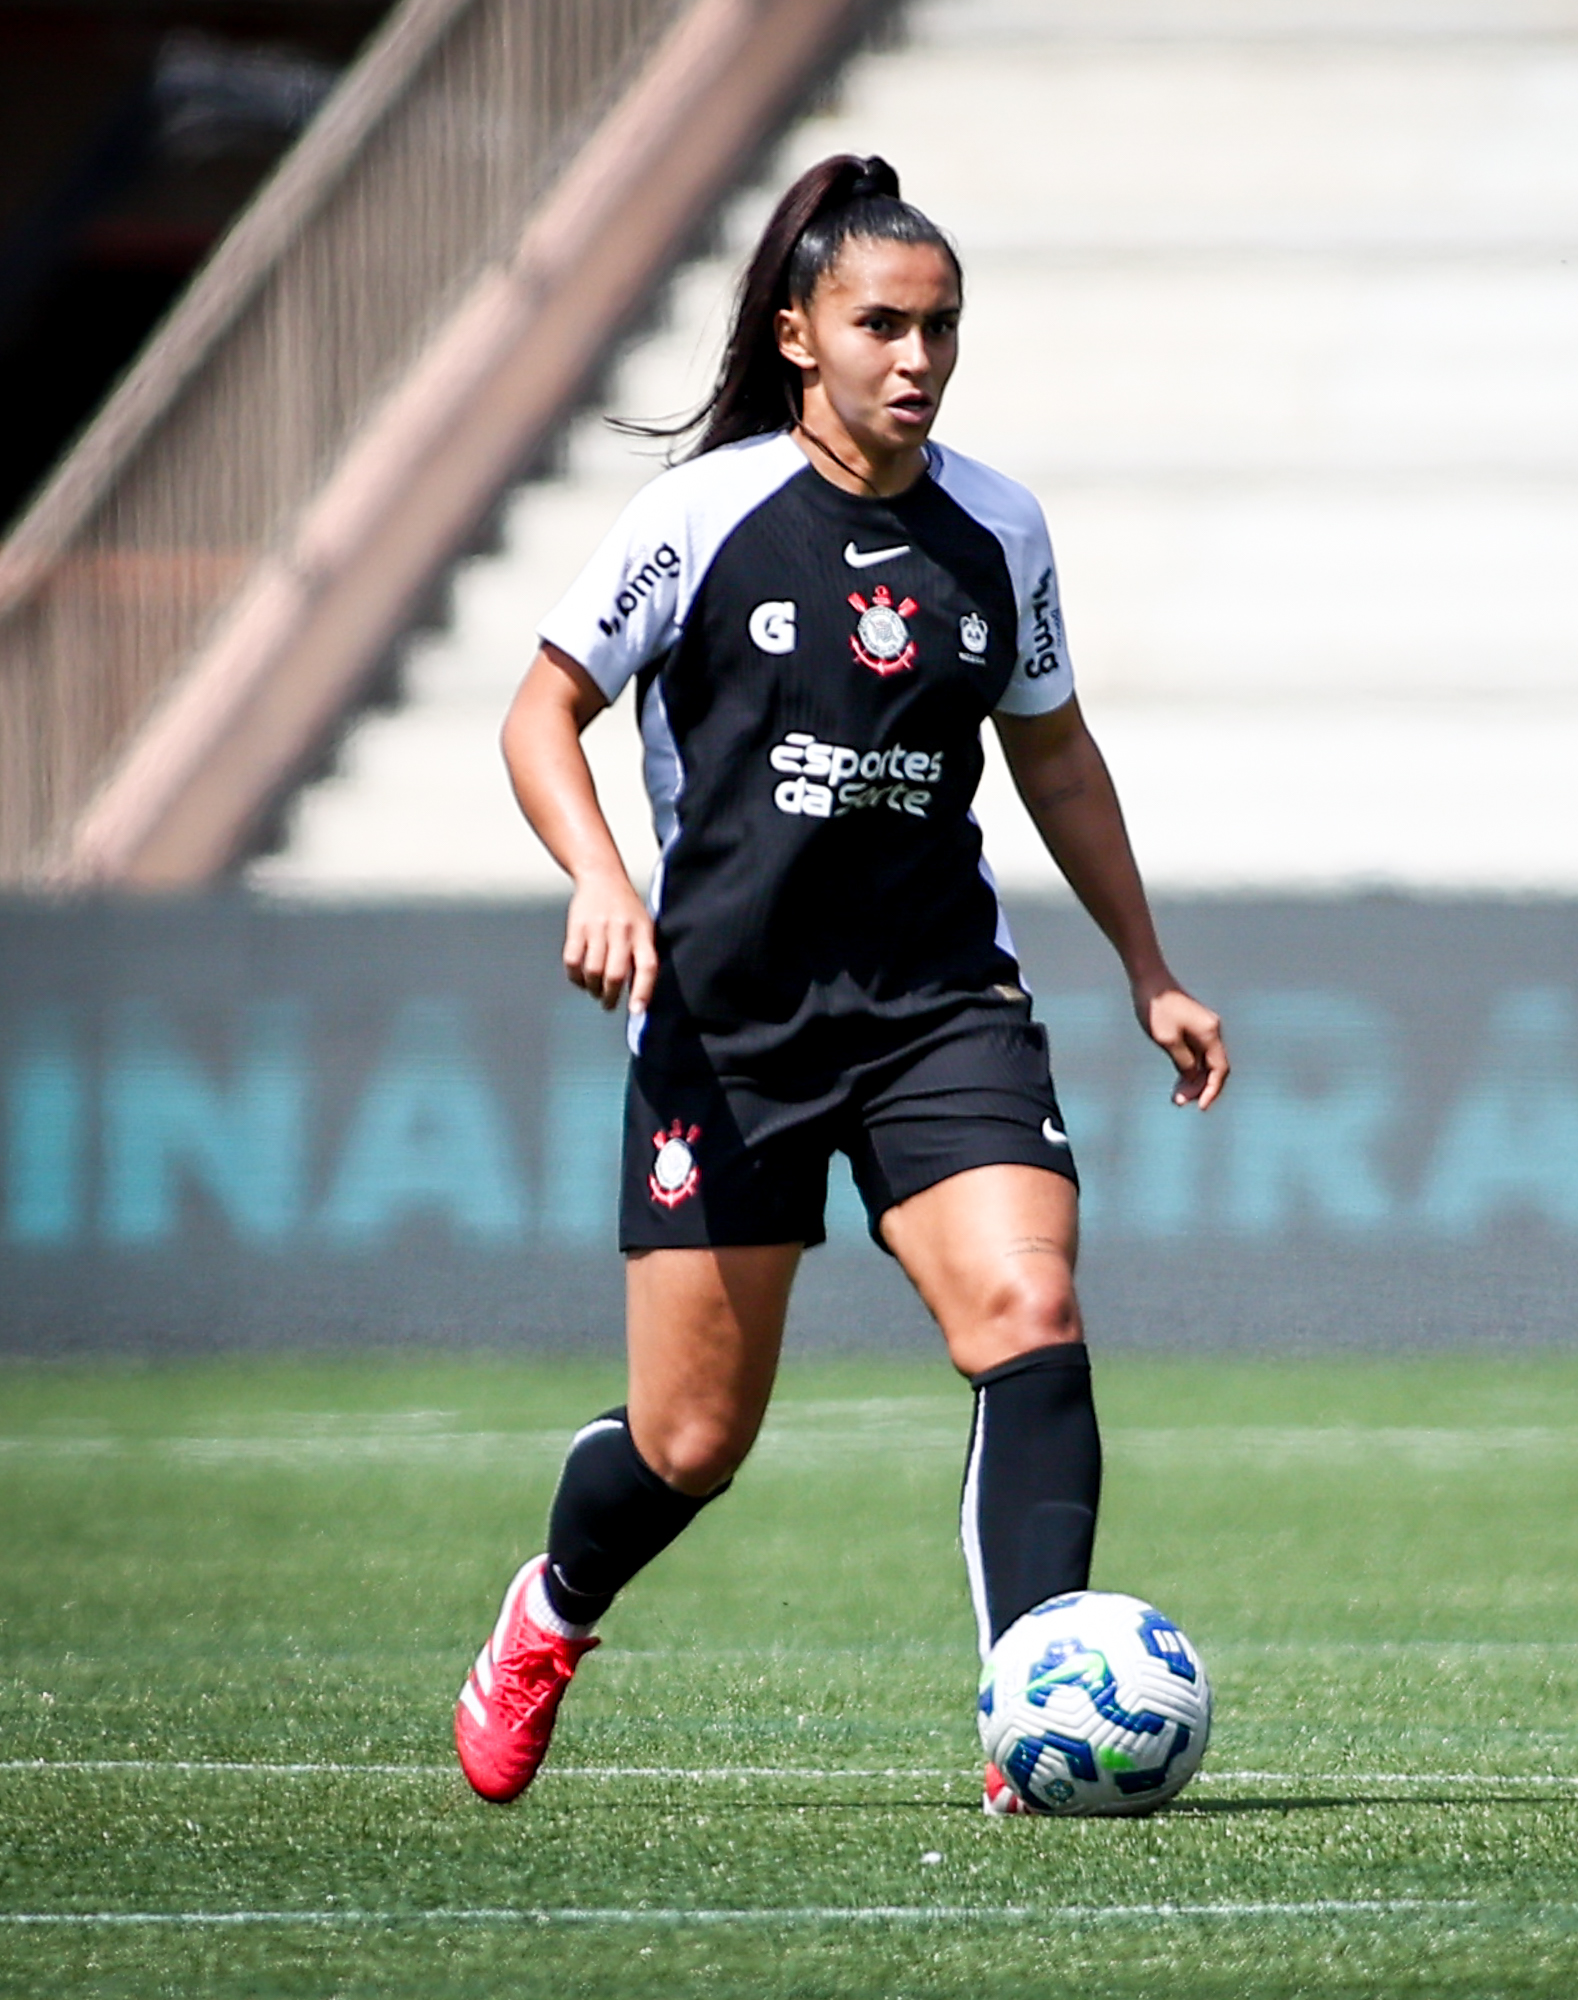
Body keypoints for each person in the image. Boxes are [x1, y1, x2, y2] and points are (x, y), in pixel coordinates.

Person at [452, 154, 1228, 1814]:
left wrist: (1149, 968)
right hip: (729, 1031)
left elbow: (1059, 760)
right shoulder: (699, 517)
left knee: (1030, 1313)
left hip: (940, 1007)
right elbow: (537, 716)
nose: (918, 357)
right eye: (882, 323)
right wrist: (601, 875)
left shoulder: (997, 527)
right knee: (691, 1443)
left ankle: (1034, 1724)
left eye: (941, 327)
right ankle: (551, 1610)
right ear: (801, 334)